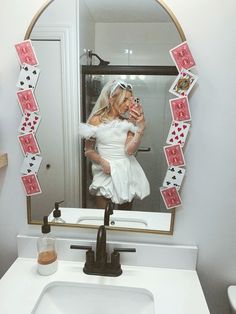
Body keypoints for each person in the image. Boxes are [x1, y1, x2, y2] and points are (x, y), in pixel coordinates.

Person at [79, 79, 150, 210]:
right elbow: (88, 150)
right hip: (104, 172)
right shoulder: (96, 120)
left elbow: (130, 151)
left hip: (126, 171)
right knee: (104, 216)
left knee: (125, 216)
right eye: (125, 100)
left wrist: (140, 128)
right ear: (111, 99)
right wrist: (101, 161)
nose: (129, 104)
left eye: (130, 99)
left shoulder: (128, 122)